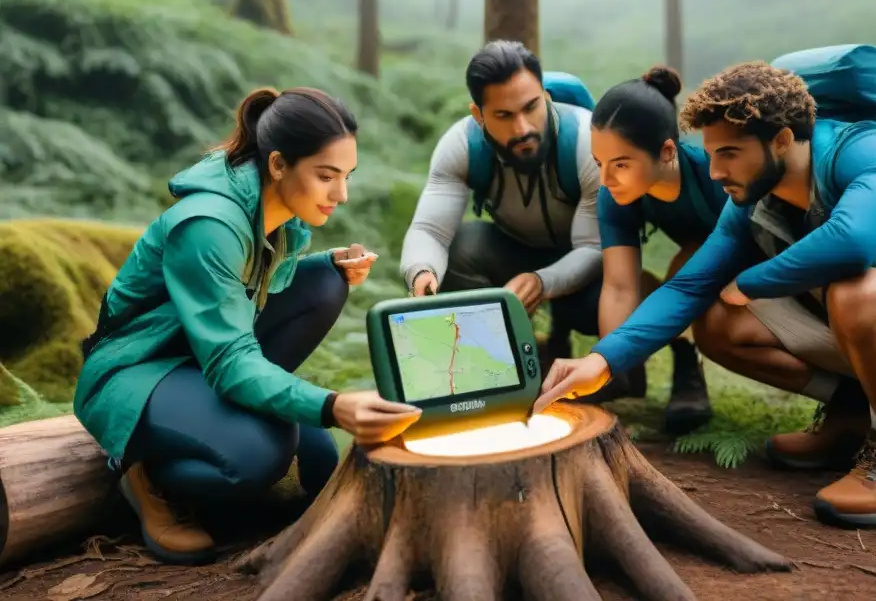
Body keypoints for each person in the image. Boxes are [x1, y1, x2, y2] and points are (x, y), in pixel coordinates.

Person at [535, 60, 876, 528]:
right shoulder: (752, 197)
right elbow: (688, 285)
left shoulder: (873, 149)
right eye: (712, 153)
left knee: (859, 292)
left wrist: (750, 281)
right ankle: (853, 416)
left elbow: (855, 242)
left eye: (729, 154)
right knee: (718, 321)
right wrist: (600, 362)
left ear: (783, 140)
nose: (714, 171)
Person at [73, 86, 423, 565]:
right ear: (278, 165)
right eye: (326, 176)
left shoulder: (271, 209)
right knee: (263, 455)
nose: (341, 195)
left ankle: (234, 418)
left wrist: (326, 263)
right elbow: (230, 356)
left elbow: (247, 295)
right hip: (136, 369)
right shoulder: (209, 226)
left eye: (346, 176)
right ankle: (144, 476)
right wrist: (332, 405)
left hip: (198, 356)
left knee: (325, 284)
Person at [399, 40, 617, 389]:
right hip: (514, 250)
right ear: (478, 114)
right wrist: (421, 273)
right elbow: (429, 231)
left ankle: (621, 373)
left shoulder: (588, 141)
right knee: (460, 247)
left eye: (531, 107)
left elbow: (593, 247)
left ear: (546, 97)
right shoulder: (460, 145)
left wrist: (542, 282)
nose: (522, 128)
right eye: (503, 115)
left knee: (601, 299)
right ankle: (501, 373)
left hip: (591, 264)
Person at [590, 65, 728, 433]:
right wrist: (605, 366)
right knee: (626, 283)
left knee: (689, 259)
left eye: (620, 164)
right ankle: (649, 370)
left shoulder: (715, 176)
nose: (605, 179)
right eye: (599, 163)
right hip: (688, 275)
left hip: (753, 266)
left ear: (667, 151)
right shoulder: (613, 194)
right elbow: (619, 286)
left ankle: (688, 369)